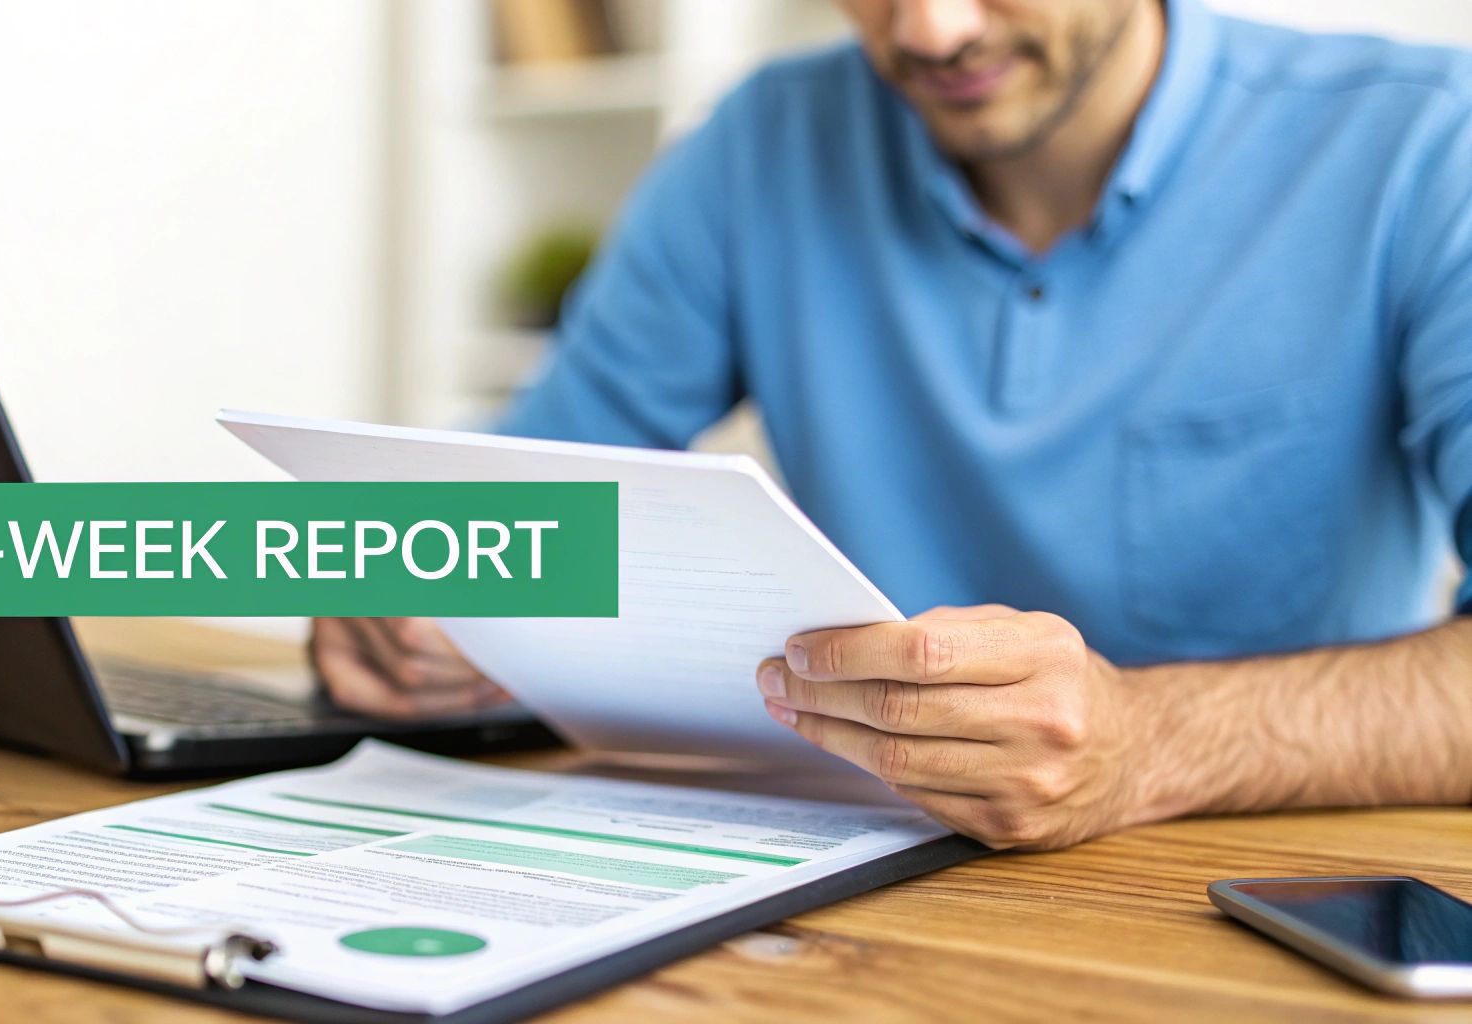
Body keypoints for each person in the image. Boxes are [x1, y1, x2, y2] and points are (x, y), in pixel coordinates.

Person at [312, 0, 1472, 849]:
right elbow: (530, 495)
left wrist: (1151, 743)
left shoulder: (1424, 149)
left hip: (1256, 877)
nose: (925, 32)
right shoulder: (757, 144)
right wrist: (439, 583)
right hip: (842, 875)